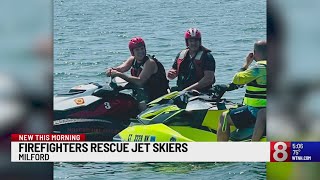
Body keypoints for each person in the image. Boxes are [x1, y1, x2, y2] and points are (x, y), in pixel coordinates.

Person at [217, 40, 267, 141]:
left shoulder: (259, 68)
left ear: (254, 53)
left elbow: (237, 79)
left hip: (255, 111)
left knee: (224, 117)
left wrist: (246, 63)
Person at [106, 37, 169, 110]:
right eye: (137, 50)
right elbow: (122, 68)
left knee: (140, 104)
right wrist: (111, 70)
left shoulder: (150, 63)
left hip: (156, 97)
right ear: (132, 52)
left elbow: (140, 81)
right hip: (143, 94)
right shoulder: (132, 59)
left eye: (142, 49)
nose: (140, 52)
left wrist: (119, 74)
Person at [167, 28, 216, 92]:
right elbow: (174, 70)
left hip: (201, 93)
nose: (193, 43)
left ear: (200, 41)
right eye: (191, 41)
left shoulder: (207, 56)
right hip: (182, 91)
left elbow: (208, 79)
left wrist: (187, 90)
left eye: (196, 41)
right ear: (187, 42)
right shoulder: (181, 55)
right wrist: (171, 74)